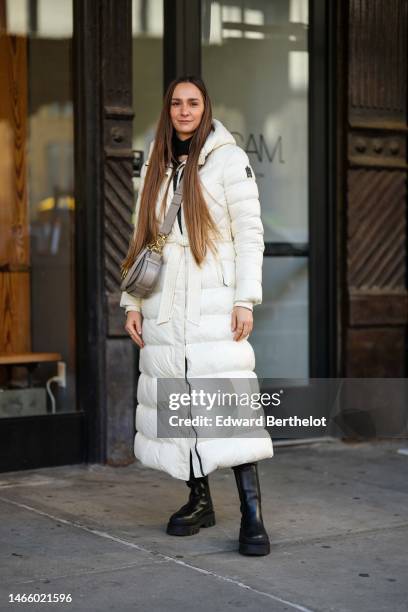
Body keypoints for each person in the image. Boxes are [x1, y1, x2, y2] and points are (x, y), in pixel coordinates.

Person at [120, 75, 273, 556]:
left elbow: (250, 234)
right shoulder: (157, 163)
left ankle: (252, 516)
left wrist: (245, 299)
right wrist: (133, 304)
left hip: (214, 300)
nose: (184, 111)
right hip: (166, 301)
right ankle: (199, 500)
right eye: (175, 103)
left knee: (230, 404)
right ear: (167, 110)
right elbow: (140, 238)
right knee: (181, 401)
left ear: (205, 108)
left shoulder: (229, 160)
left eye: (193, 103)